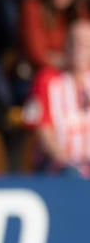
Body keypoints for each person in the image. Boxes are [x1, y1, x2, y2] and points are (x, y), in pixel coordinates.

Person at [23, 18, 90, 176]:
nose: (78, 49)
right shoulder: (46, 80)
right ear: (65, 45)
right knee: (71, 175)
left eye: (85, 44)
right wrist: (67, 161)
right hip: (59, 167)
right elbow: (43, 131)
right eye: (74, 42)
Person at [20, 0, 87, 73]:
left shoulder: (79, 11)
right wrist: (74, 61)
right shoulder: (33, 6)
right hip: (39, 72)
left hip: (74, 74)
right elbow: (37, 54)